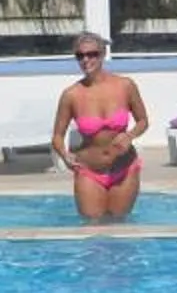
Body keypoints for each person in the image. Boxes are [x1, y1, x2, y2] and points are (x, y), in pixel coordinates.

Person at [50, 34, 149, 223]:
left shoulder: (125, 86)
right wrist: (64, 154)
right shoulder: (71, 95)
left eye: (91, 54)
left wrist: (129, 136)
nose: (86, 60)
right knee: (92, 231)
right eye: (80, 56)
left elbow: (143, 121)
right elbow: (57, 136)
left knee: (120, 225)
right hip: (89, 170)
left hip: (124, 168)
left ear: (103, 54)